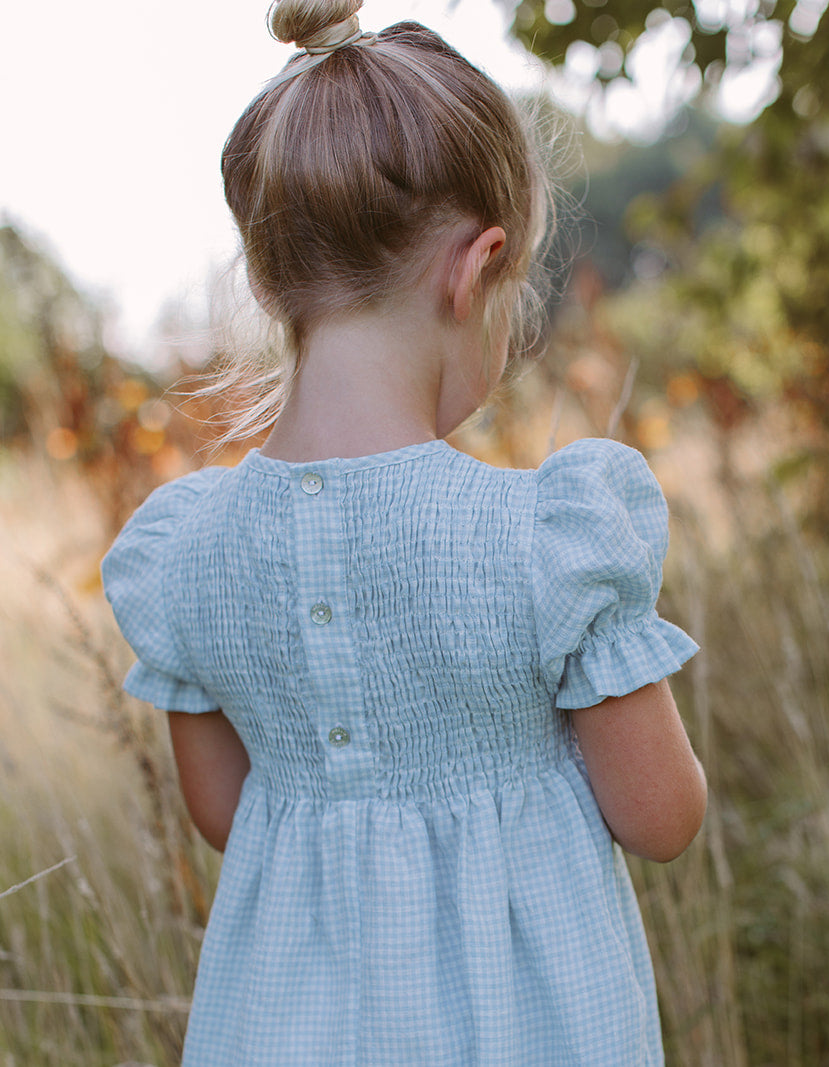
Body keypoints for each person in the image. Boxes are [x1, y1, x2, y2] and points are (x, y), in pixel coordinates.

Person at [101, 2, 707, 1063]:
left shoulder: (187, 554)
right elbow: (660, 815)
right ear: (475, 268)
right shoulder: (544, 539)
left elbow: (221, 813)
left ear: (264, 278)